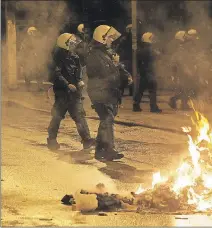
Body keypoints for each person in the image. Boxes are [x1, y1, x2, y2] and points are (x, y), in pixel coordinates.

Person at [86, 25, 132, 161]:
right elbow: (100, 76)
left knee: (105, 120)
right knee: (107, 119)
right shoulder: (94, 55)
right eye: (110, 37)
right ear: (102, 38)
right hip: (99, 92)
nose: (112, 39)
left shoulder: (106, 52)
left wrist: (124, 74)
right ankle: (108, 150)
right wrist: (115, 68)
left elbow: (114, 71)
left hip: (109, 92)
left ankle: (100, 151)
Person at [47, 33, 95, 151]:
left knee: (80, 116)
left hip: (74, 93)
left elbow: (78, 72)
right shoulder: (57, 58)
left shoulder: (75, 57)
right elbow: (56, 74)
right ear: (65, 44)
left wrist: (79, 81)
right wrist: (67, 84)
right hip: (62, 93)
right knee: (57, 117)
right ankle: (52, 139)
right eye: (71, 43)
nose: (74, 45)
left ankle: (87, 140)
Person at [133, 32, 162, 113]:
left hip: (143, 72)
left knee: (140, 90)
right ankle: (153, 107)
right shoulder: (151, 50)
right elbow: (157, 59)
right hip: (150, 72)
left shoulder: (140, 50)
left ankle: (136, 105)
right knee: (152, 89)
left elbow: (137, 63)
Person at [19, 26, 45, 91]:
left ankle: (40, 86)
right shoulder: (25, 41)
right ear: (29, 32)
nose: (34, 33)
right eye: (33, 32)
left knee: (38, 72)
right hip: (28, 60)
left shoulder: (36, 39)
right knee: (27, 74)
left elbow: (39, 49)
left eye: (35, 32)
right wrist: (22, 62)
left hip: (35, 59)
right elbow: (23, 51)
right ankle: (28, 87)